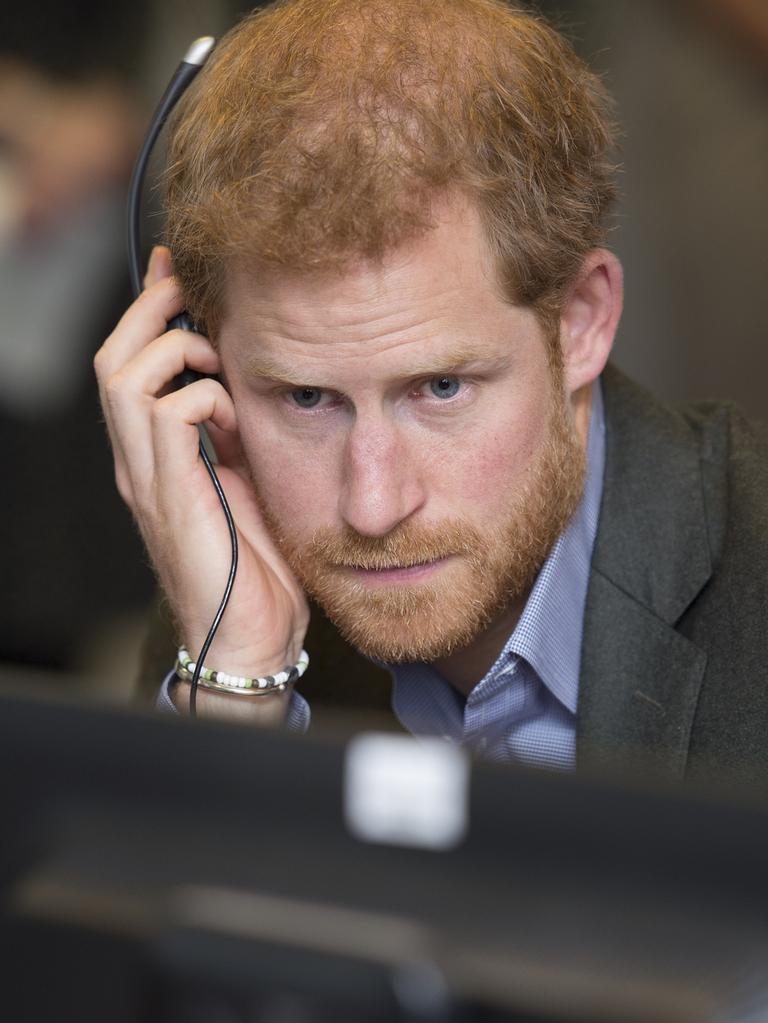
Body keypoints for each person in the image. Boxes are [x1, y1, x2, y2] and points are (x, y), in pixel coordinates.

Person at [95, 0, 768, 785]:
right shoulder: (232, 586)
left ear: (580, 324)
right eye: (307, 400)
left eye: (440, 387)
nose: (372, 508)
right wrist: (241, 684)